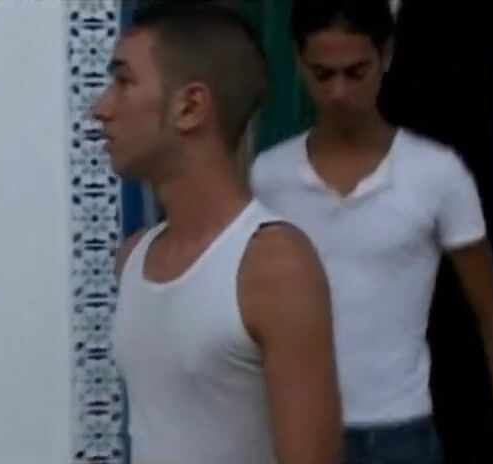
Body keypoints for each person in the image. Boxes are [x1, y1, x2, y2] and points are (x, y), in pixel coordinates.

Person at [250, 1, 493, 463]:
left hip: (400, 436)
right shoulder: (267, 176)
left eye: (355, 72)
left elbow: (492, 315)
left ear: (386, 55)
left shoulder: (436, 173)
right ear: (299, 61)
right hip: (292, 431)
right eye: (323, 74)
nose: (339, 92)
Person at [95, 3, 342, 464]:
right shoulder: (133, 259)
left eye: (124, 82)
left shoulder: (273, 266)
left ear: (190, 107)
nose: (101, 108)